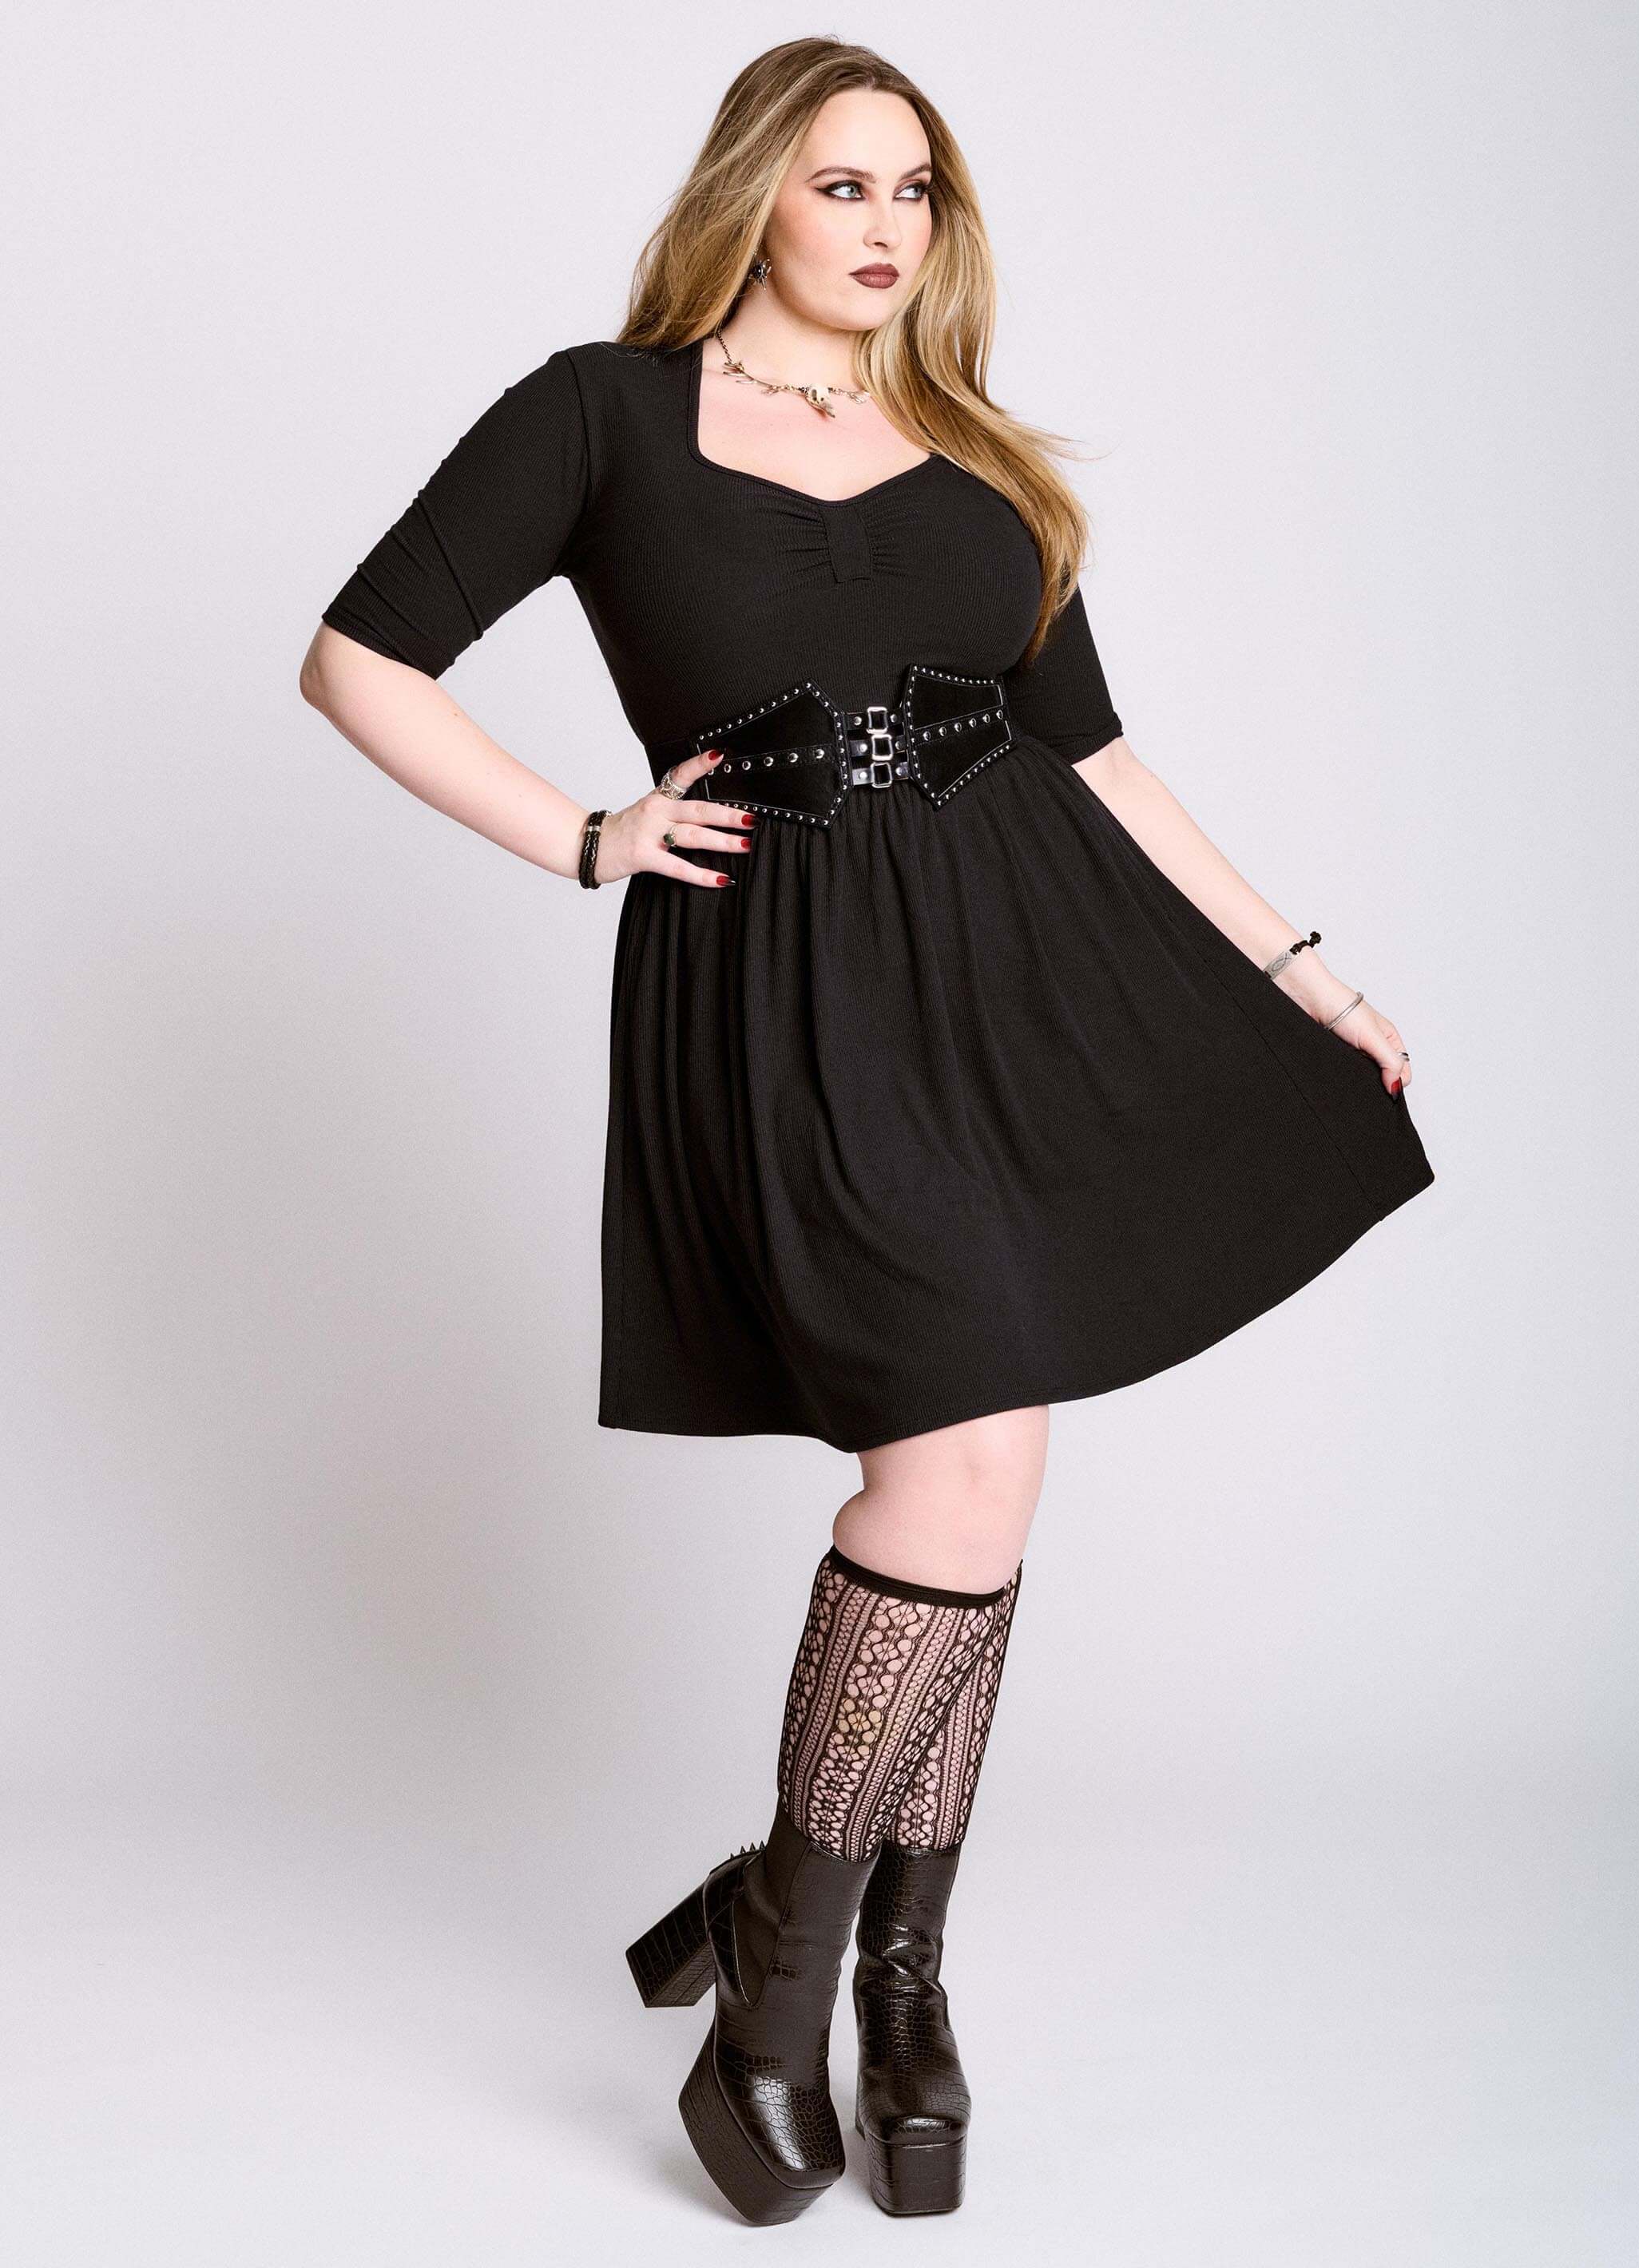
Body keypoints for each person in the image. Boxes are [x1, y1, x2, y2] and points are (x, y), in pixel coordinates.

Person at [300, 36, 1435, 2227]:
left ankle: (885, 1979)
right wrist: (580, 836)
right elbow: (362, 657)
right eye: (843, 183)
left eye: (917, 189)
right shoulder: (600, 415)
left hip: (1015, 983)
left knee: (988, 1468)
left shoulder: (975, 458)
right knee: (948, 1460)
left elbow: (1095, 761)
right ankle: (779, 1986)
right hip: (787, 996)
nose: (887, 225)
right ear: (754, 192)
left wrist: (1304, 971)